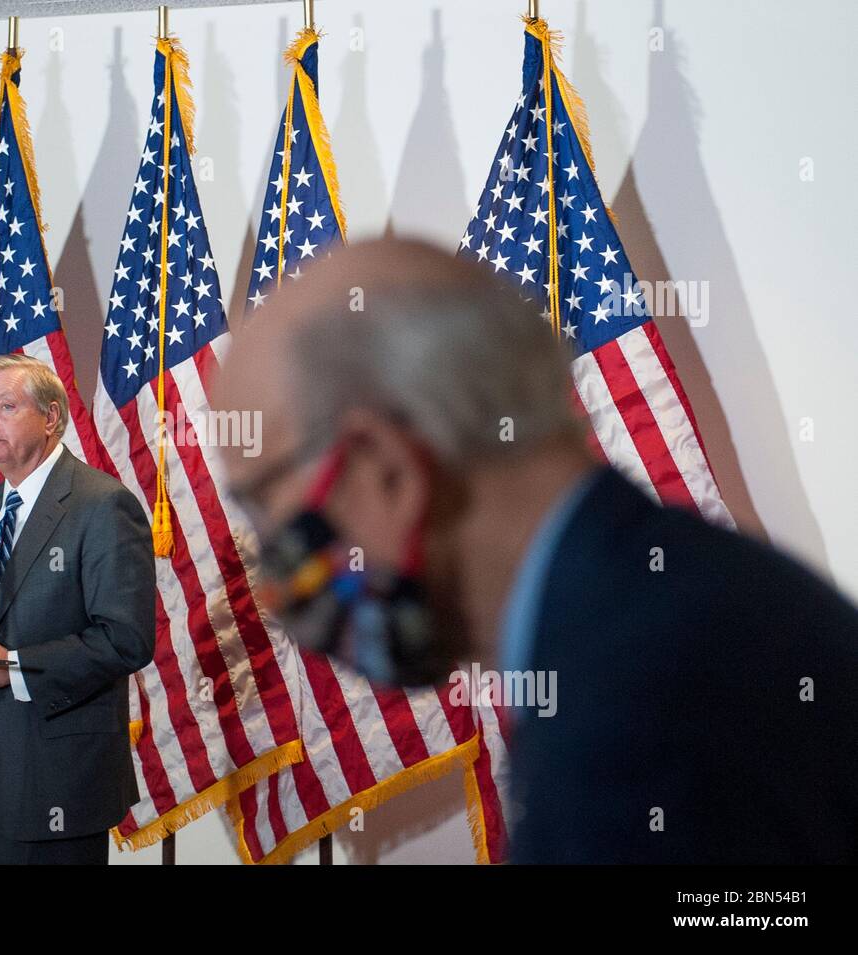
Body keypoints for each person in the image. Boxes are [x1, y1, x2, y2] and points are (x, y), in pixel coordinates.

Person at [210, 236, 858, 863]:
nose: (271, 572)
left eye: (265, 506)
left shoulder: (622, 734)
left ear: (387, 469)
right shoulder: (683, 596)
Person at [0, 353, 155, 864]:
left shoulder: (102, 505)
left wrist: (14, 668)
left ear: (52, 417)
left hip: (52, 780)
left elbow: (126, 638)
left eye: (6, 406)